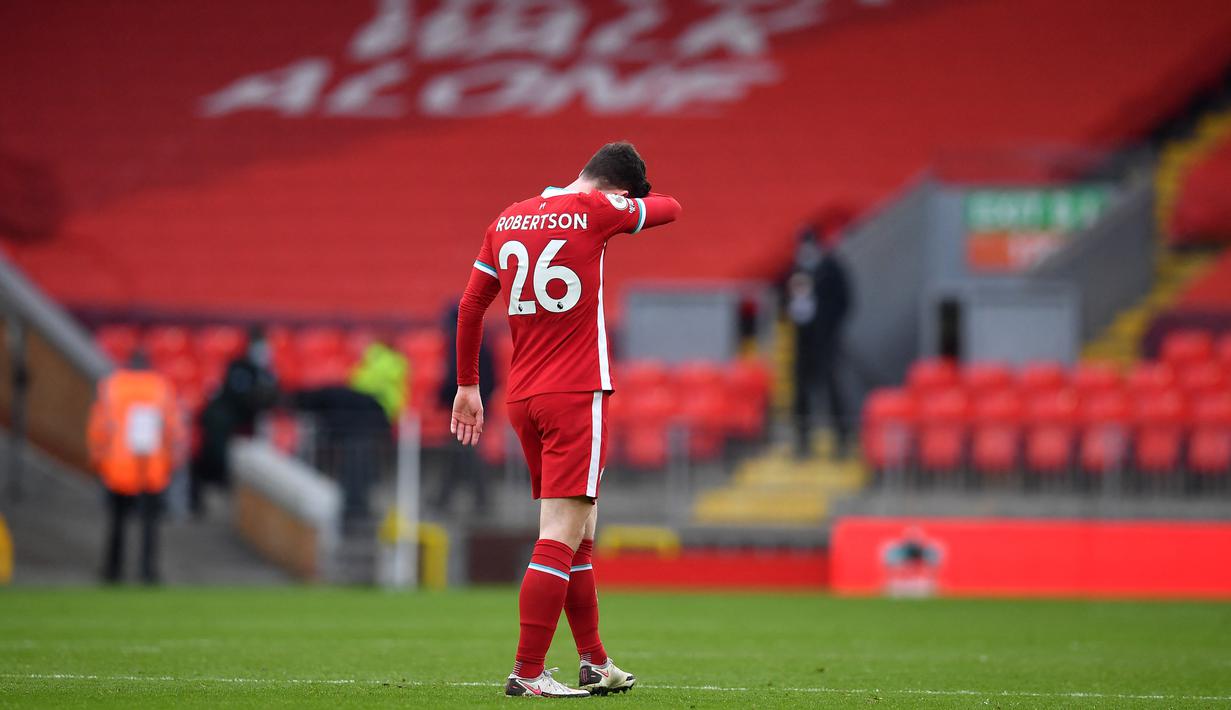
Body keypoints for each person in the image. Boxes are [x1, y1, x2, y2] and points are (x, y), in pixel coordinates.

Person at [451, 141, 681, 698]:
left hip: (523, 397)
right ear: (618, 189)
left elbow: (471, 306)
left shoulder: (508, 218)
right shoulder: (597, 210)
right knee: (558, 534)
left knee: (578, 535)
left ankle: (595, 662)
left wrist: (467, 385)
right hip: (575, 392)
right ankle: (528, 671)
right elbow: (672, 208)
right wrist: (622, 205)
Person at [87, 350, 185, 584]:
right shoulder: (161, 387)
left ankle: (113, 570)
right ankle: (148, 570)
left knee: (117, 521)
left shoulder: (112, 386)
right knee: (150, 524)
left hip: (118, 465)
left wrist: (98, 460)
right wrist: (172, 461)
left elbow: (99, 428)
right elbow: (173, 429)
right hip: (153, 466)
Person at [190, 327, 278, 515]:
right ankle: (213, 486)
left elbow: (272, 396)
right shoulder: (238, 366)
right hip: (223, 416)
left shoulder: (268, 370)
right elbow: (237, 394)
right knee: (216, 444)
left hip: (247, 420)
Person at [787, 226, 852, 459]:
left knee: (832, 388)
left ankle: (842, 438)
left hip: (826, 340)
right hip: (803, 341)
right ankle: (802, 439)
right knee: (801, 391)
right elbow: (786, 298)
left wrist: (829, 325)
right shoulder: (796, 270)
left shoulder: (832, 269)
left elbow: (844, 300)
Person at [436, 300, 496, 514]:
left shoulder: (464, 345)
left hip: (468, 411)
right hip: (473, 408)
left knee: (466, 453)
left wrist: (444, 397)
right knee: (461, 454)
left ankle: (478, 501)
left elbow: (457, 379)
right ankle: (448, 498)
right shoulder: (482, 343)